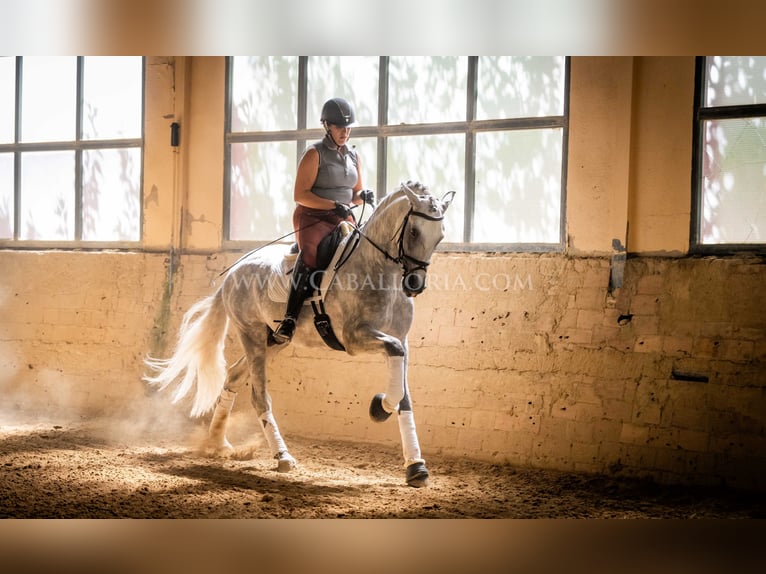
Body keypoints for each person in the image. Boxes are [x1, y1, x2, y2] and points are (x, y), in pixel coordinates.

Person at [272, 97, 374, 344]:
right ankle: (290, 318)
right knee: (310, 254)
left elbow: (354, 193)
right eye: (340, 127)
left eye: (348, 128)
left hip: (342, 215)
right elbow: (300, 195)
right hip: (313, 215)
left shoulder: (354, 156)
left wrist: (363, 195)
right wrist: (332, 205)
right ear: (327, 125)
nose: (345, 132)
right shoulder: (313, 153)